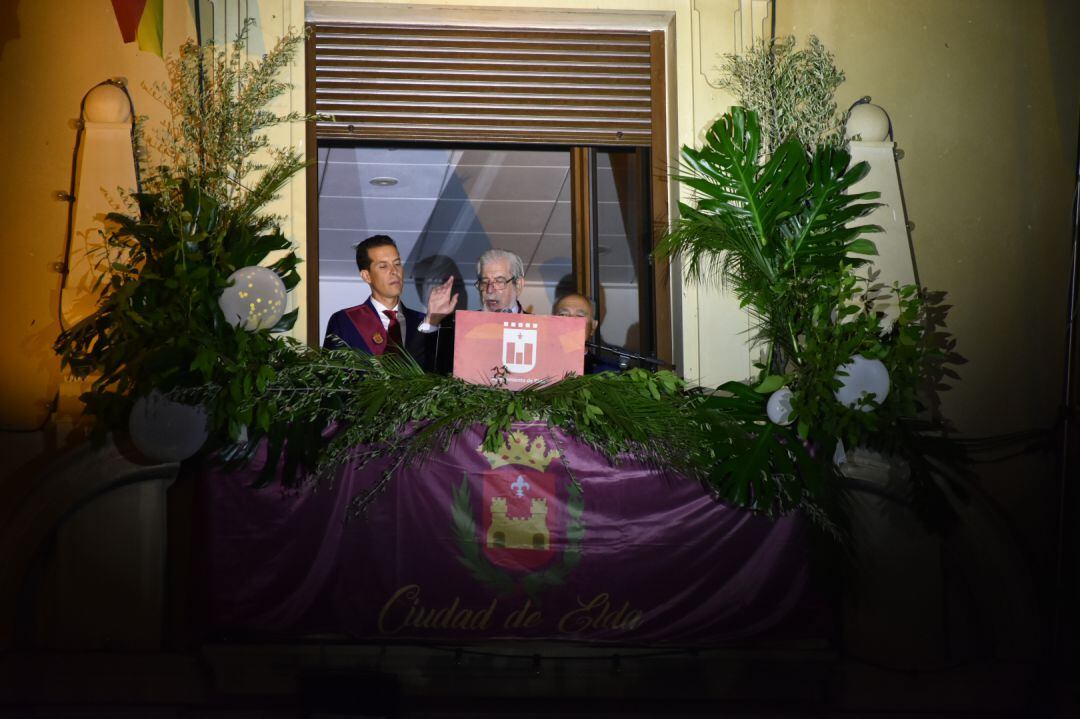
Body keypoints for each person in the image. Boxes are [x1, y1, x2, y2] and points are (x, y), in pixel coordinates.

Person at [323, 235, 458, 371]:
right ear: (366, 276)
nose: (394, 271)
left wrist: (431, 322)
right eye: (383, 266)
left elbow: (438, 373)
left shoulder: (425, 322)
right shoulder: (345, 321)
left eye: (397, 263)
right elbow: (334, 379)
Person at [553, 292, 620, 374]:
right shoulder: (537, 363)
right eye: (563, 315)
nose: (571, 321)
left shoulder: (609, 372)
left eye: (580, 316)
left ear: (593, 326)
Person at [476, 249, 527, 313]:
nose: (489, 290)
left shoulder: (539, 322)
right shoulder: (466, 322)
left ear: (518, 285)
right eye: (484, 282)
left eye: (499, 281)